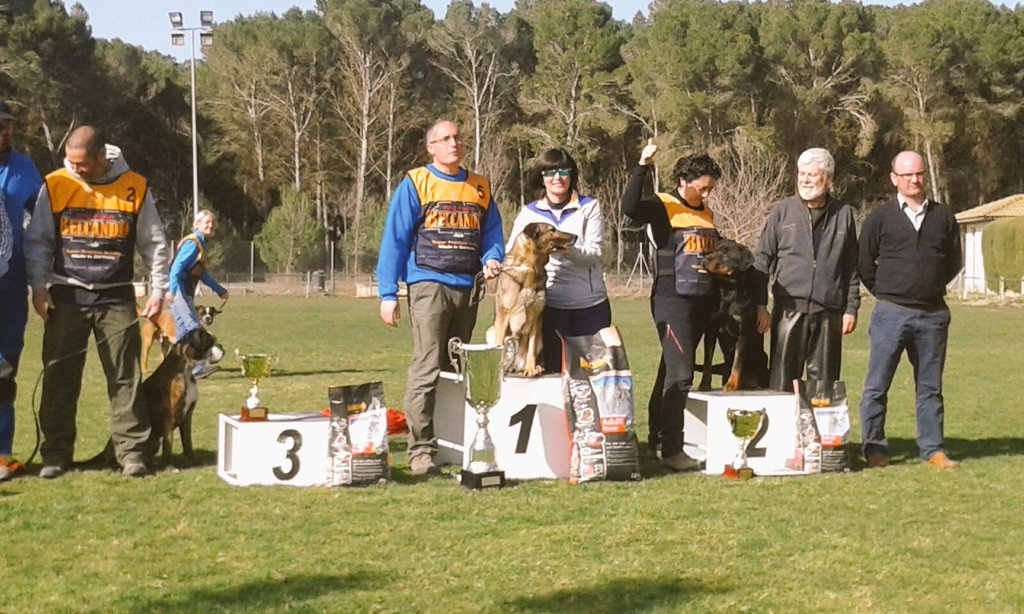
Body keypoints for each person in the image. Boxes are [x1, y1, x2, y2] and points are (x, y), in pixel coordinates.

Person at [25, 126, 170, 479]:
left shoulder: (135, 186)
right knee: (59, 378)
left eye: (84, 164)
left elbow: (154, 242)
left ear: (102, 156)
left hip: (117, 297)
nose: (77, 170)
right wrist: (39, 287)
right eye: (71, 163)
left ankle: (132, 453)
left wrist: (157, 290)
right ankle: (56, 454)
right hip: (66, 296)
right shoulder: (55, 184)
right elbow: (39, 241)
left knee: (126, 378)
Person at [375, 119, 504, 476]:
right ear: (430, 147)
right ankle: (420, 451)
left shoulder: (479, 187)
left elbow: (492, 231)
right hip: (428, 285)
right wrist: (388, 293)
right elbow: (395, 238)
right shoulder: (416, 182)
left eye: (458, 137)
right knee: (428, 365)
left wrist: (493, 257)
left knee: (454, 367)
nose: (454, 143)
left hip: (468, 288)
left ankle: (451, 443)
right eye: (445, 138)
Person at [621, 140, 722, 472]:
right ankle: (673, 449)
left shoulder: (705, 214)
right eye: (702, 188)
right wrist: (643, 165)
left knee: (669, 370)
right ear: (684, 181)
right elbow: (629, 207)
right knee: (681, 376)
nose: (707, 195)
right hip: (671, 300)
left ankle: (656, 440)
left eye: (710, 189)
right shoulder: (663, 205)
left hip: (702, 304)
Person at [858, 150, 962, 470]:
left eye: (918, 174)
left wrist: (927, 288)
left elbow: (954, 261)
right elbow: (864, 263)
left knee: (930, 388)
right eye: (907, 175)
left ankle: (932, 450)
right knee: (877, 385)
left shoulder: (943, 216)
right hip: (891, 313)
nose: (914, 180)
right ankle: (874, 447)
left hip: (932, 317)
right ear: (894, 179)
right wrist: (890, 293)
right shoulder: (879, 218)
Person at [753, 148, 860, 396]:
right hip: (788, 309)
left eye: (812, 175)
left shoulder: (844, 214)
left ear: (829, 179)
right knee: (781, 382)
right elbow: (762, 259)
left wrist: (851, 308)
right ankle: (784, 435)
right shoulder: (783, 210)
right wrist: (760, 304)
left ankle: (818, 435)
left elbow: (850, 266)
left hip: (829, 312)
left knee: (823, 386)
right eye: (802, 174)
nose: (805, 180)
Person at [505, 148, 610, 372]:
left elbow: (594, 254)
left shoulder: (589, 207)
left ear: (571, 175)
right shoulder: (528, 213)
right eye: (550, 172)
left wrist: (564, 249)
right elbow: (511, 253)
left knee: (593, 377)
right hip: (550, 307)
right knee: (553, 377)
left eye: (564, 171)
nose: (557, 177)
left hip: (589, 306)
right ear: (541, 177)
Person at [0, 100, 44, 481]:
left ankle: (1, 454)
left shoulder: (25, 169)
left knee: (3, 372)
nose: (3, 132)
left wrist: (40, 282)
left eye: (6, 125)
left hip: (9, 290)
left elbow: (42, 226)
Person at [169, 209, 228, 378]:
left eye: (212, 222)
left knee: (182, 334)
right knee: (193, 327)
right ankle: (200, 366)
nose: (210, 225)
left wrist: (218, 290)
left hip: (184, 292)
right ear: (197, 224)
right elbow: (175, 268)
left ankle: (180, 370)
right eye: (206, 222)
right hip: (178, 291)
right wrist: (172, 290)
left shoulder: (200, 243)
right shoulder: (193, 244)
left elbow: (201, 273)